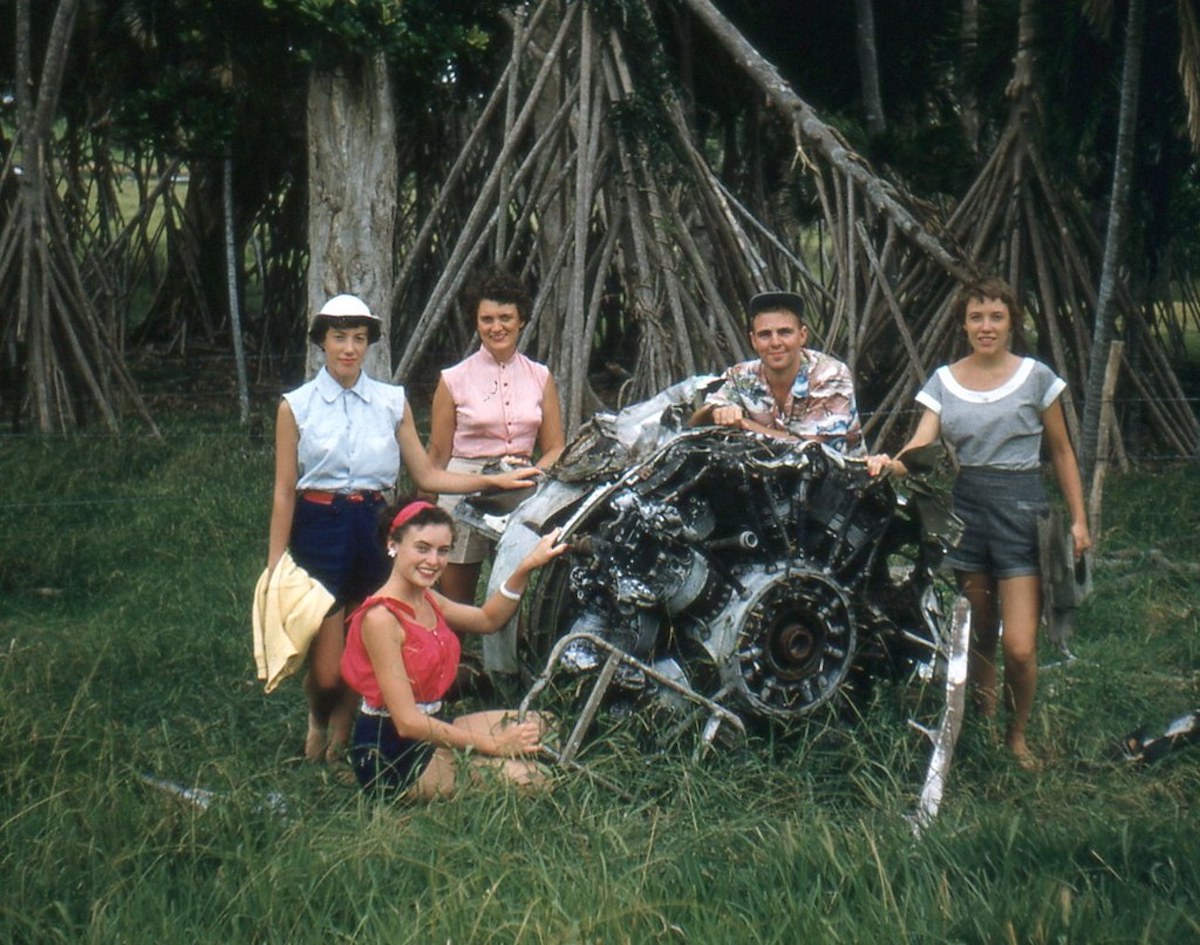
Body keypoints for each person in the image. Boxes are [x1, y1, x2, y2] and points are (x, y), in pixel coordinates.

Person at [267, 294, 541, 765]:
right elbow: (284, 490)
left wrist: (492, 479)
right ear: (322, 343)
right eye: (338, 338)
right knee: (328, 668)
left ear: (369, 343)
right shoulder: (297, 407)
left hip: (374, 525)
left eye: (358, 338)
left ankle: (341, 740)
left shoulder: (391, 401)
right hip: (320, 528)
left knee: (368, 639)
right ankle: (319, 716)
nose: (348, 349)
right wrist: (274, 566)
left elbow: (428, 475)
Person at [865, 276, 1091, 768]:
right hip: (968, 513)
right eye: (976, 317)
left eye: (996, 317)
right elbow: (921, 445)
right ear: (963, 324)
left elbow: (1060, 450)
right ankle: (985, 731)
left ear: (1013, 322)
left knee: (1021, 645)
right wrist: (891, 463)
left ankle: (1017, 736)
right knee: (980, 629)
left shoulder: (1036, 377)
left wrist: (1079, 521)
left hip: (1023, 512)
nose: (985, 326)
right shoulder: (944, 381)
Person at [341, 499, 569, 798]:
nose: (433, 561)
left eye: (443, 550)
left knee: (546, 725)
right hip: (393, 751)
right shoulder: (381, 619)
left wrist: (526, 565)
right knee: (537, 778)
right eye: (422, 548)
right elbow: (407, 723)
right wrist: (495, 745)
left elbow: (489, 619)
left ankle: (483, 760)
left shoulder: (428, 599)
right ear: (393, 544)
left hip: (433, 724)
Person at [426, 268, 565, 604]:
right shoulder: (453, 379)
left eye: (505, 317)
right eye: (487, 319)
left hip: (520, 486)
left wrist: (532, 476)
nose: (496, 327)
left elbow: (556, 447)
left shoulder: (539, 376)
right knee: (456, 597)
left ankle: (504, 657)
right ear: (476, 322)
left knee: (513, 590)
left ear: (521, 321)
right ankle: (453, 655)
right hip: (463, 487)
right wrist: (425, 511)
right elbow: (437, 456)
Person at [689, 290, 864, 455]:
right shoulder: (740, 376)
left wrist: (744, 424)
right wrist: (715, 411)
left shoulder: (830, 374)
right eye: (765, 335)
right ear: (754, 341)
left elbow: (814, 450)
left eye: (784, 332)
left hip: (837, 478)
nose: (775, 342)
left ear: (802, 336)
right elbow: (693, 428)